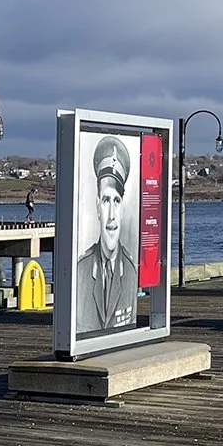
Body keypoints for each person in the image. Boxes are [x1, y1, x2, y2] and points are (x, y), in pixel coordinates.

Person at [76, 134, 137, 333]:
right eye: (105, 200)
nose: (111, 215)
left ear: (122, 208)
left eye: (116, 201)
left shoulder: (130, 271)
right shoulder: (81, 272)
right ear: (97, 207)